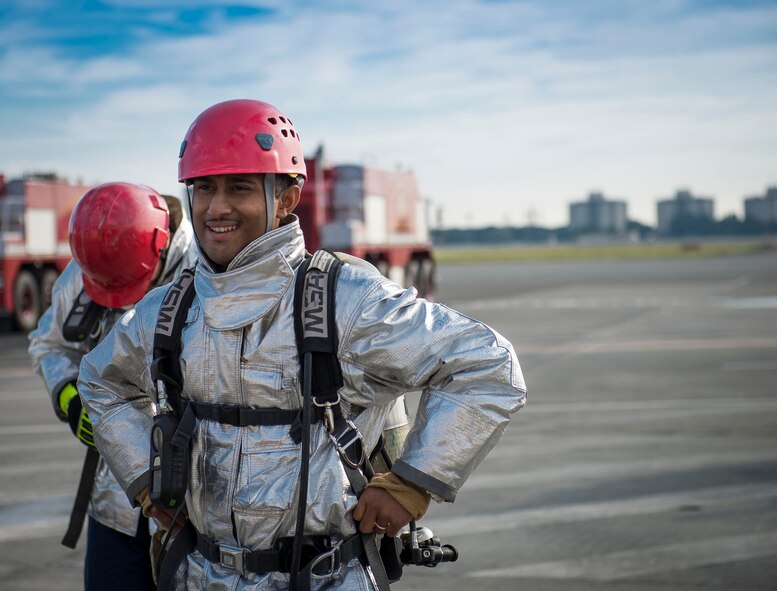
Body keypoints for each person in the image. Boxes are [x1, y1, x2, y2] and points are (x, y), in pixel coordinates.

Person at [77, 99, 527, 590]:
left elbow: (487, 364)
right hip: (200, 576)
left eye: (240, 188)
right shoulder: (169, 310)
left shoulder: (345, 302)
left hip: (324, 577)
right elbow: (101, 382)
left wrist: (411, 484)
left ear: (287, 199)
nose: (217, 207)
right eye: (204, 188)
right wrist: (147, 481)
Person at [29, 182, 196, 591]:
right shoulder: (88, 267)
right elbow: (50, 343)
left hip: (199, 504)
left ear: (160, 246)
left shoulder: (208, 271)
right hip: (115, 500)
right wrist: (70, 397)